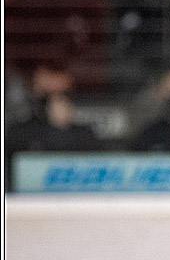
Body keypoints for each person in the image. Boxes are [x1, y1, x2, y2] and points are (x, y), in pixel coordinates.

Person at [5, 62, 106, 190]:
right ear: (34, 91)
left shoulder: (85, 134)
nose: (57, 100)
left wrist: (63, 128)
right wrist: (55, 129)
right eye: (48, 94)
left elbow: (96, 174)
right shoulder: (19, 132)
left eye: (63, 93)